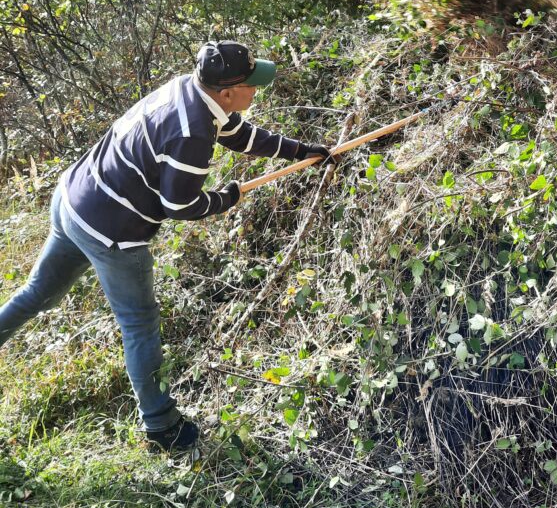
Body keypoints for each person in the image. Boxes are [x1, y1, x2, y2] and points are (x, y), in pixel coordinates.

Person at [0, 40, 333, 451]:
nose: (256, 91)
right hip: (111, 230)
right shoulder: (192, 132)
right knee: (139, 324)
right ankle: (161, 426)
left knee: (37, 294)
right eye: (251, 85)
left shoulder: (188, 89)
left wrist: (299, 150)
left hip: (73, 198)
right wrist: (227, 199)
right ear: (227, 92)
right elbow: (179, 205)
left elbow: (238, 134)